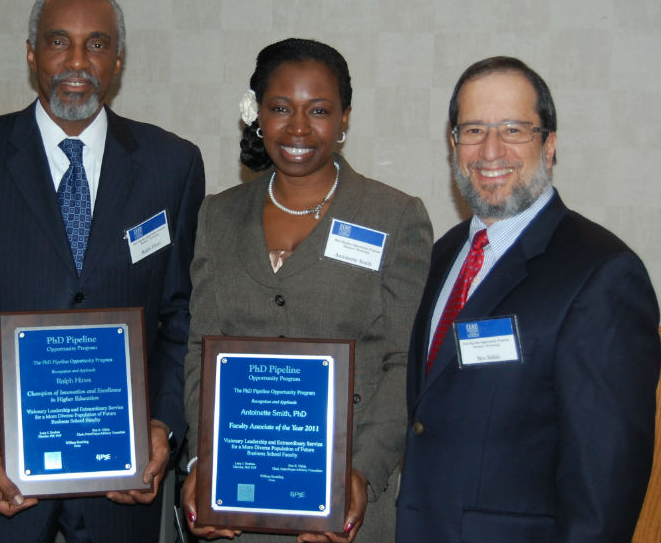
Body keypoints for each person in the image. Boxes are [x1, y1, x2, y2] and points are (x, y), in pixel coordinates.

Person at [0, 0, 205, 543]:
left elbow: (182, 315)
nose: (77, 62)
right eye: (58, 42)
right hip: (2, 472)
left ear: (118, 60)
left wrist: (162, 427)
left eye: (96, 45)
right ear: (31, 53)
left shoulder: (172, 165)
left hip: (122, 479)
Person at [395, 56, 661, 543]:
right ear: (453, 146)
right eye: (472, 130)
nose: (490, 150)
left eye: (514, 129)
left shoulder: (602, 273)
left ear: (550, 144)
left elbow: (604, 486)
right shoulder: (445, 253)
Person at [181, 38, 433, 543]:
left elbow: (407, 360)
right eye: (280, 108)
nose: (298, 128)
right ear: (256, 113)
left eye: (318, 110)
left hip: (349, 503)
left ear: (344, 119)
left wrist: (362, 471)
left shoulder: (395, 217)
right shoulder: (218, 215)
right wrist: (204, 461)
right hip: (235, 502)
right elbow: (198, 351)